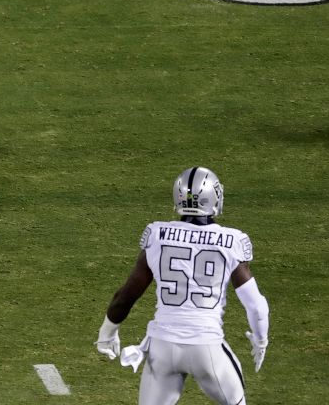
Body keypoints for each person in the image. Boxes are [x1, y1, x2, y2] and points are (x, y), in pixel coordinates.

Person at [95, 167, 270, 405]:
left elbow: (127, 295)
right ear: (213, 197)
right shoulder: (231, 241)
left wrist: (107, 332)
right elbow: (256, 306)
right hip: (207, 348)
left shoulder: (158, 235)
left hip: (162, 349)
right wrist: (260, 340)